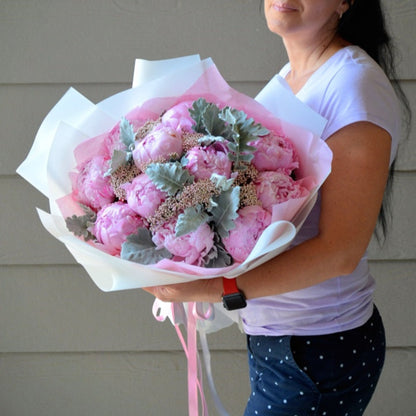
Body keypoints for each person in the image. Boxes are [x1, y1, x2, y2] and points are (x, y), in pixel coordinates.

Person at [145, 0, 411, 414]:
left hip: (319, 345)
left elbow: (340, 252)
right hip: (282, 338)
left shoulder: (354, 87)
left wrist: (213, 289)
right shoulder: (289, 80)